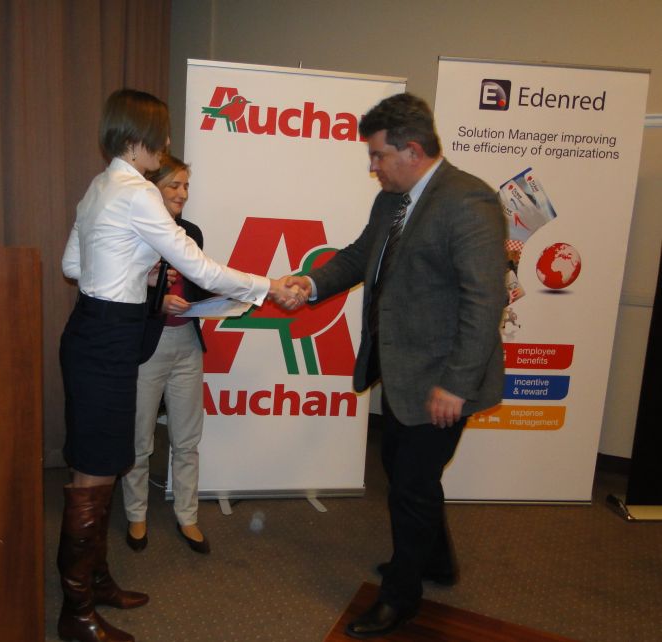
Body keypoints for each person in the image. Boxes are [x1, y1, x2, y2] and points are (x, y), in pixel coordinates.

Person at [59, 88, 300, 642]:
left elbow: (73, 264)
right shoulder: (137, 192)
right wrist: (268, 285)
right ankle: (76, 612)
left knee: (96, 467)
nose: (166, 143)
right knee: (93, 474)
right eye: (160, 134)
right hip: (109, 340)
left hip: (92, 332)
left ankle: (95, 582)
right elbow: (198, 267)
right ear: (136, 137)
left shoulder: (100, 186)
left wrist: (133, 266)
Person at [285, 93, 505, 638]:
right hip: (403, 369)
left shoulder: (468, 200)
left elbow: (484, 301)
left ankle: (401, 597)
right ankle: (437, 562)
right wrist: (310, 283)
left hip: (442, 378)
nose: (373, 166)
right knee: (407, 473)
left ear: (412, 150)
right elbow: (361, 255)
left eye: (378, 155)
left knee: (410, 484)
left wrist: (456, 384)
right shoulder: (393, 200)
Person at [122, 153, 212, 555]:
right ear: (152, 189)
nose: (182, 193)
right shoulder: (134, 231)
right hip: (147, 346)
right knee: (140, 438)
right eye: (174, 185)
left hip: (187, 344)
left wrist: (221, 298)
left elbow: (198, 283)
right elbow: (119, 293)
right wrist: (157, 303)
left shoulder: (191, 232)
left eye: (186, 185)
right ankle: (136, 514)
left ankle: (187, 516)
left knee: (187, 438)